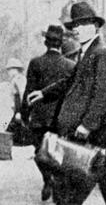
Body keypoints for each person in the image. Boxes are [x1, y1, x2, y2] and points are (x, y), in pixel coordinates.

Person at [27, 2, 106, 205]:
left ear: (95, 26)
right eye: (75, 26)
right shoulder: (88, 53)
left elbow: (102, 95)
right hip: (94, 137)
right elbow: (69, 81)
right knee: (100, 190)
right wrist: (43, 93)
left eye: (83, 24)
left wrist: (86, 125)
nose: (77, 30)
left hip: (101, 136)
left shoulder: (102, 53)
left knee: (100, 191)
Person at [21, 25, 76, 201]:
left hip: (39, 117)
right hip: (61, 118)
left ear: (46, 43)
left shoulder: (35, 63)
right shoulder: (70, 65)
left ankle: (47, 179)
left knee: (40, 153)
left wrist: (24, 113)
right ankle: (56, 180)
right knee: (57, 153)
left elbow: (29, 92)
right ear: (61, 44)